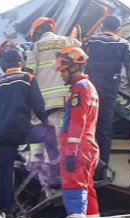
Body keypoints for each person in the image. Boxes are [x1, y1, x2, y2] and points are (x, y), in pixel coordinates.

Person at [0, 47, 51, 218]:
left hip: (1, 132)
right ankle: (55, 182)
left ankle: (7, 211)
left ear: (4, 64)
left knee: (5, 171)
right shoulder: (28, 78)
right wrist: (46, 123)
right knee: (48, 142)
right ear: (22, 63)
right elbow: (38, 105)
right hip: (22, 128)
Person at [26, 17, 82, 188]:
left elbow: (29, 73)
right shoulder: (69, 41)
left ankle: (54, 171)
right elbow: (82, 59)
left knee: (46, 133)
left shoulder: (36, 47)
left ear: (37, 33)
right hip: (66, 96)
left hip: (42, 101)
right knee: (62, 133)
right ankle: (64, 170)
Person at [83, 15, 130, 177]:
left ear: (102, 27)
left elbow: (77, 61)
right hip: (108, 91)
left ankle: (80, 164)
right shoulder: (123, 44)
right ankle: (101, 171)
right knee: (105, 130)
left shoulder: (89, 41)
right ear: (119, 30)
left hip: (88, 89)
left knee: (85, 126)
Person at [56, 46, 100, 218]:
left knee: (74, 189)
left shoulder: (80, 89)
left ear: (74, 67)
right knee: (87, 191)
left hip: (78, 147)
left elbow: (77, 120)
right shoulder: (89, 87)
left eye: (63, 71)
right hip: (88, 146)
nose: (61, 75)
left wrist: (71, 151)